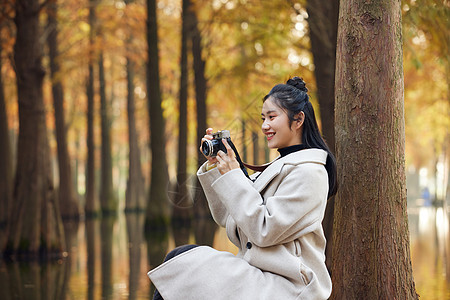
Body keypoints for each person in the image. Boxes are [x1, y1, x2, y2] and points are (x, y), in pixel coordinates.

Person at [147, 76, 337, 300]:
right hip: (257, 271)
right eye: (263, 118)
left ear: (298, 120)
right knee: (179, 259)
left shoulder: (310, 173)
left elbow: (264, 230)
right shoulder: (275, 168)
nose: (265, 125)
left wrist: (234, 176)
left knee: (182, 264)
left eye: (272, 117)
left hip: (289, 284)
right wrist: (217, 167)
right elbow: (230, 218)